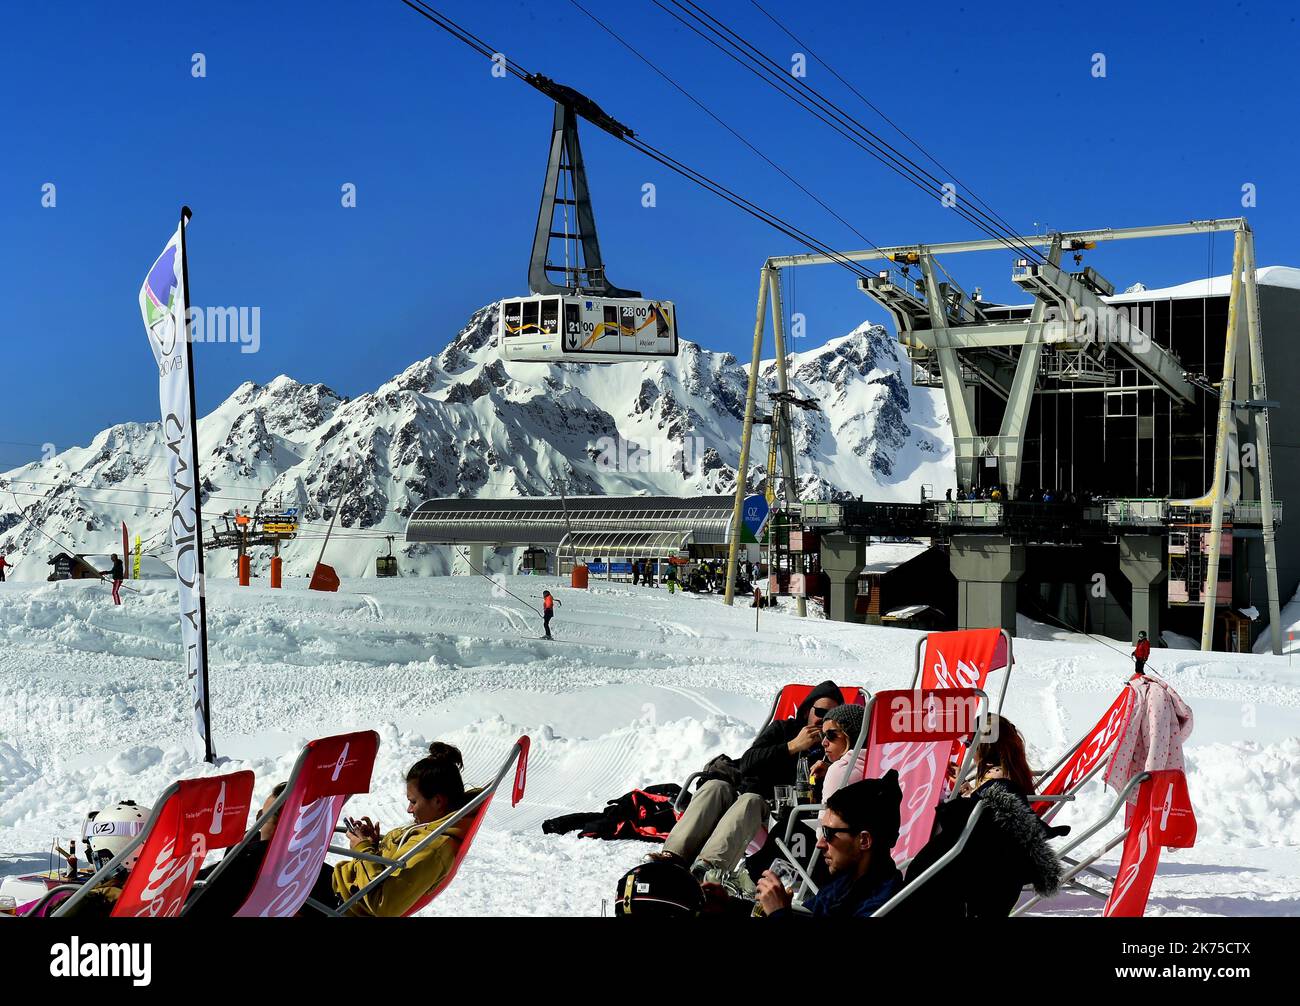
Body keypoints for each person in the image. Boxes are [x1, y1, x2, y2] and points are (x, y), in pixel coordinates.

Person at [653, 682, 844, 878]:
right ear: (806, 711)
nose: (824, 721)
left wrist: (829, 767)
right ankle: (672, 856)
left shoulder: (834, 745)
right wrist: (791, 746)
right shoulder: (783, 729)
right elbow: (748, 762)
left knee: (750, 801)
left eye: (832, 716)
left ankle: (708, 868)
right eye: (820, 712)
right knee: (715, 787)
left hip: (777, 816)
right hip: (745, 795)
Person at [897, 715, 1062, 918]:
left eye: (969, 742)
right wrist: (966, 787)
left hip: (986, 869)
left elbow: (982, 815)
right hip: (996, 866)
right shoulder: (1008, 770)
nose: (968, 748)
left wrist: (961, 800)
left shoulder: (998, 778)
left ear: (983, 745)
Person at [328, 742, 476, 917]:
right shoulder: (435, 829)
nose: (409, 809)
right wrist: (374, 847)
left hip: (344, 905)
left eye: (413, 802)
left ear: (438, 801)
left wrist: (363, 849)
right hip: (345, 888)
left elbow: (384, 905)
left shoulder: (433, 849)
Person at [745, 701, 866, 882]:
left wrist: (833, 771)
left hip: (833, 863)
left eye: (831, 735)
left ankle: (754, 877)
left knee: (786, 828)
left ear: (851, 735)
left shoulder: (839, 770)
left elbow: (822, 834)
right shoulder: (875, 760)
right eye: (823, 735)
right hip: (866, 856)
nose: (824, 742)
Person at [755, 773, 904, 918]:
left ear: (864, 840)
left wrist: (779, 913)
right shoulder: (846, 882)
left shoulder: (883, 905)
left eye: (828, 833)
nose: (819, 844)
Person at [186, 781, 289, 917]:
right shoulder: (305, 858)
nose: (257, 822)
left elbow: (187, 889)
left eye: (261, 816)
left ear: (278, 827)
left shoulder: (246, 862)